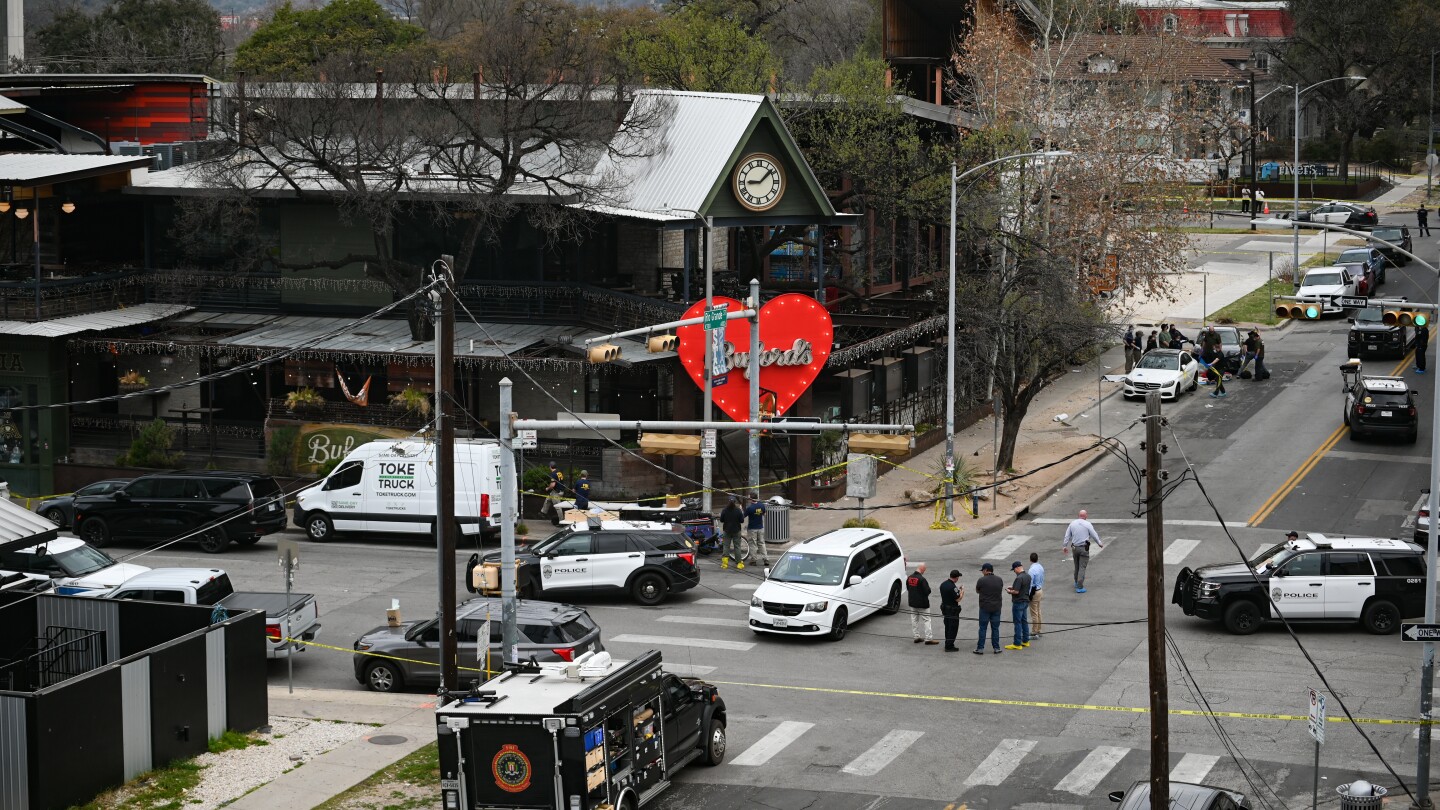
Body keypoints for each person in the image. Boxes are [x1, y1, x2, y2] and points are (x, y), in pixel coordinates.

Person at [1061, 509, 1105, 593]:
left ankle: (1076, 581)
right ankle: (1079, 586)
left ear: (1079, 515)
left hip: (1074, 548)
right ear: (1086, 516)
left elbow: (1067, 535)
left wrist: (1064, 546)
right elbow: (1094, 534)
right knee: (1082, 567)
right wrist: (1099, 543)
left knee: (1076, 565)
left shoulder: (1072, 523)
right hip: (1083, 548)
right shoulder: (1087, 524)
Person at [974, 563, 1004, 654]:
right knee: (995, 628)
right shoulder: (999, 580)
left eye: (983, 570)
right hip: (996, 607)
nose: (982, 572)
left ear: (986, 570)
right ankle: (996, 647)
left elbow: (977, 590)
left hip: (985, 607)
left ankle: (980, 648)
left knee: (983, 628)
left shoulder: (981, 580)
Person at [906, 563, 938, 645]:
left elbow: (908, 588)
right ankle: (928, 638)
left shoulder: (909, 577)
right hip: (922, 603)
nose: (924, 571)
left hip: (912, 602)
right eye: (925, 570)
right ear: (922, 569)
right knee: (927, 620)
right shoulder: (922, 579)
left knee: (914, 620)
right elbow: (927, 591)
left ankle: (916, 636)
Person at [1004, 561, 1033, 650]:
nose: (1014, 571)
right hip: (1025, 601)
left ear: (1017, 568)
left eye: (1014, 570)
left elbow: (1016, 591)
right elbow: (1022, 588)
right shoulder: (1028, 576)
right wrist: (1013, 587)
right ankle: (1025, 640)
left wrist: (1009, 591)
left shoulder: (1019, 578)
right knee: (1024, 621)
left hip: (1018, 602)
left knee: (1017, 623)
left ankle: (1017, 643)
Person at [939, 569, 964, 652]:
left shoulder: (943, 584)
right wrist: (962, 591)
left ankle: (947, 642)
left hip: (945, 609)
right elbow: (958, 599)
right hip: (952, 611)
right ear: (956, 578)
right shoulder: (953, 587)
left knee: (947, 626)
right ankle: (949, 646)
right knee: (953, 628)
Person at [719, 497, 746, 569]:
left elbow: (721, 520)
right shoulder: (738, 510)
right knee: (737, 547)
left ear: (728, 502)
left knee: (726, 546)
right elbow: (742, 521)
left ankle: (725, 564)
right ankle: (739, 563)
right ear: (735, 502)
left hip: (727, 531)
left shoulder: (724, 510)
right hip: (736, 531)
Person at [743, 495, 767, 565]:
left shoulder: (750, 508)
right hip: (760, 528)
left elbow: (743, 516)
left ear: (751, 499)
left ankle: (753, 560)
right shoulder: (762, 505)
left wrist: (741, 509)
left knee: (753, 544)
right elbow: (764, 514)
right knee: (761, 543)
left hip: (752, 528)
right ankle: (765, 559)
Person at [1027, 552, 1045, 639]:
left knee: (1034, 613)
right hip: (1040, 589)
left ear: (1030, 559)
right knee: (1038, 611)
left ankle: (1034, 632)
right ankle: (1039, 629)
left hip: (1034, 591)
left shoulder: (1031, 570)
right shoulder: (1041, 567)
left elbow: (1030, 584)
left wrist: (1028, 594)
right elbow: (1042, 579)